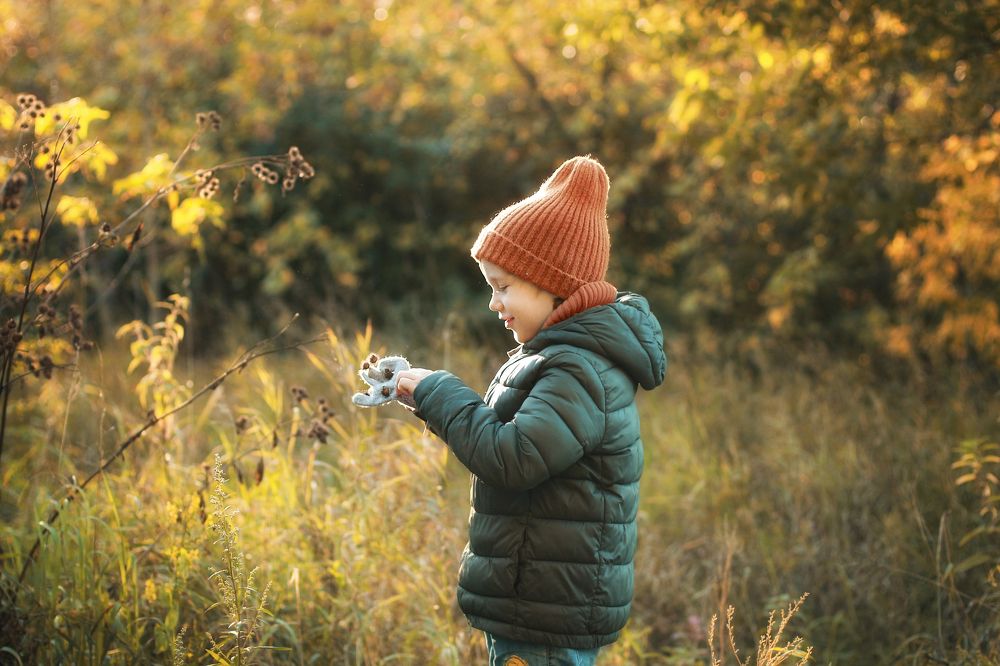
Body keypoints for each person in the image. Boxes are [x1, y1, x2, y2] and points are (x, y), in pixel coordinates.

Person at [396, 155, 667, 666]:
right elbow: (511, 441)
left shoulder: (578, 370)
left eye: (503, 287)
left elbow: (513, 457)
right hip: (537, 607)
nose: (494, 304)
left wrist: (441, 391)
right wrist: (425, 398)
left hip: (544, 620)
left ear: (555, 285)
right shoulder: (559, 358)